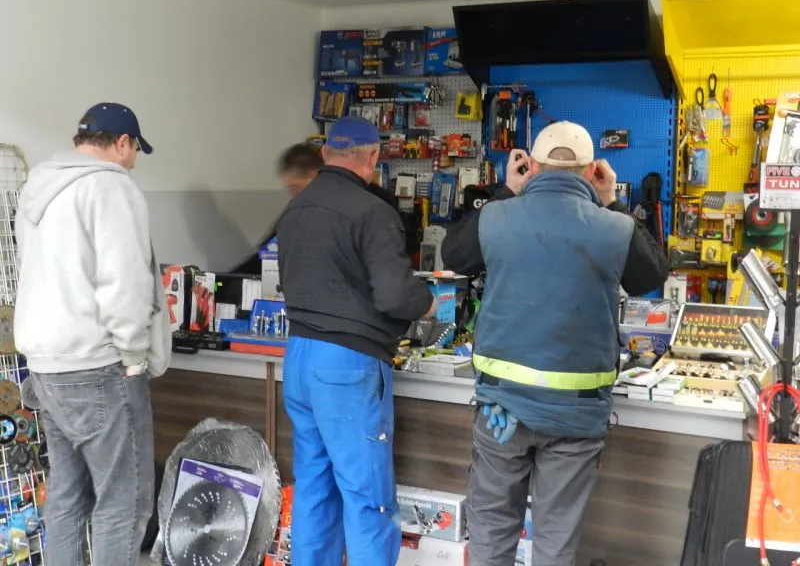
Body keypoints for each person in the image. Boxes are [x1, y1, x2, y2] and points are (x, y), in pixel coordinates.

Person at [441, 121, 669, 566]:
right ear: (592, 170)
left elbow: (454, 256)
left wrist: (507, 190)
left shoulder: (496, 216)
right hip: (577, 415)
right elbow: (651, 275)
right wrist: (611, 200)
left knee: (491, 533)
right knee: (555, 542)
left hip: (502, 411)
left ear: (532, 165)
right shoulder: (614, 227)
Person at [14, 102, 171, 566]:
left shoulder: (38, 188)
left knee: (67, 495)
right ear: (122, 143)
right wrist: (135, 356)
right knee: (125, 502)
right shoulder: (111, 187)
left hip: (47, 366)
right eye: (135, 150)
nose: (134, 161)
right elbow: (125, 281)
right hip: (98, 365)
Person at [276, 116, 436, 566]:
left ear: (326, 154)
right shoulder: (372, 212)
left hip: (300, 357)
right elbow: (394, 295)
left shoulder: (294, 211)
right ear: (374, 157)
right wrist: (427, 303)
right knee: (367, 497)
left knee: (314, 489)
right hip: (346, 365)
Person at [230, 143, 399, 274]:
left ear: (316, 176)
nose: (293, 196)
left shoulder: (371, 202)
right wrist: (225, 282)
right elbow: (266, 254)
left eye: (296, 188)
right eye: (290, 189)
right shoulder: (298, 211)